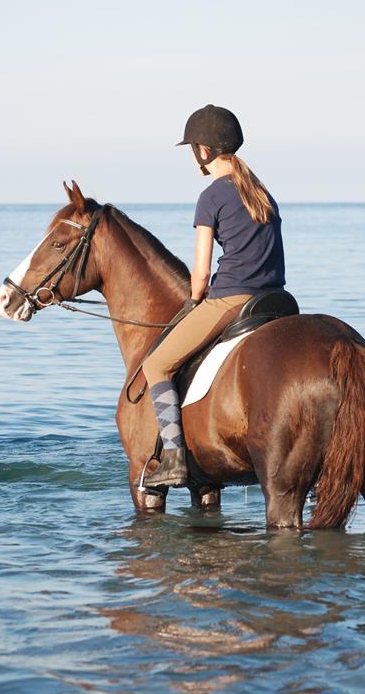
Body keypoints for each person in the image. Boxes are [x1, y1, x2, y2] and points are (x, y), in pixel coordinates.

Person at [141, 104, 286, 489]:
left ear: (203, 151)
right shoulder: (262, 192)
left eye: (193, 149)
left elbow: (202, 272)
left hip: (230, 300)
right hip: (277, 300)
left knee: (155, 365)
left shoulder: (211, 196)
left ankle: (173, 458)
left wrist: (194, 299)